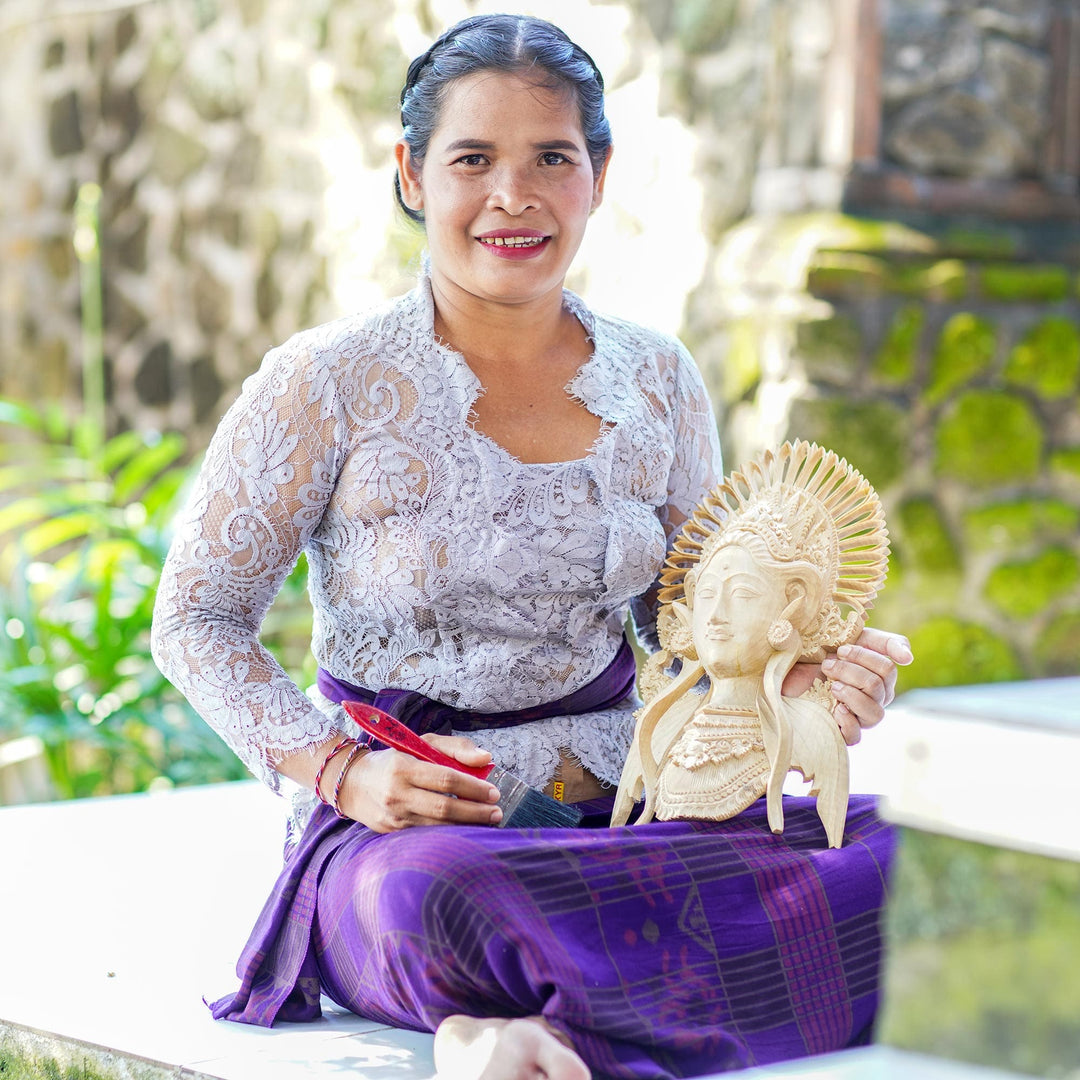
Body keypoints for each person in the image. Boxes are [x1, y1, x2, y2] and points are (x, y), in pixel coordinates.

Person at [151, 14, 912, 1079]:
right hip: (419, 826)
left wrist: (800, 684)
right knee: (439, 898)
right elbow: (194, 617)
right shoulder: (323, 383)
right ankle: (501, 1022)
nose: (514, 196)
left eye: (552, 157)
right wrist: (342, 775)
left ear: (597, 172)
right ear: (413, 174)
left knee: (903, 857)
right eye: (473, 160)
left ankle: (550, 1026)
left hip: (632, 802)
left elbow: (688, 629)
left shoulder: (657, 379)